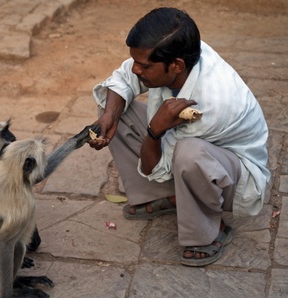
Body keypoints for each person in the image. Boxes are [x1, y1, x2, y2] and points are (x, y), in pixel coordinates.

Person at [88, 7, 270, 267]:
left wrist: (154, 130)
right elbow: (124, 77)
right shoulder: (180, 49)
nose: (137, 70)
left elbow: (158, 167)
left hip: (236, 178)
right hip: (199, 150)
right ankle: (164, 197)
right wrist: (109, 118)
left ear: (176, 65)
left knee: (188, 154)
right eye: (136, 62)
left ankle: (210, 231)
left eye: (145, 65)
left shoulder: (212, 104)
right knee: (113, 109)